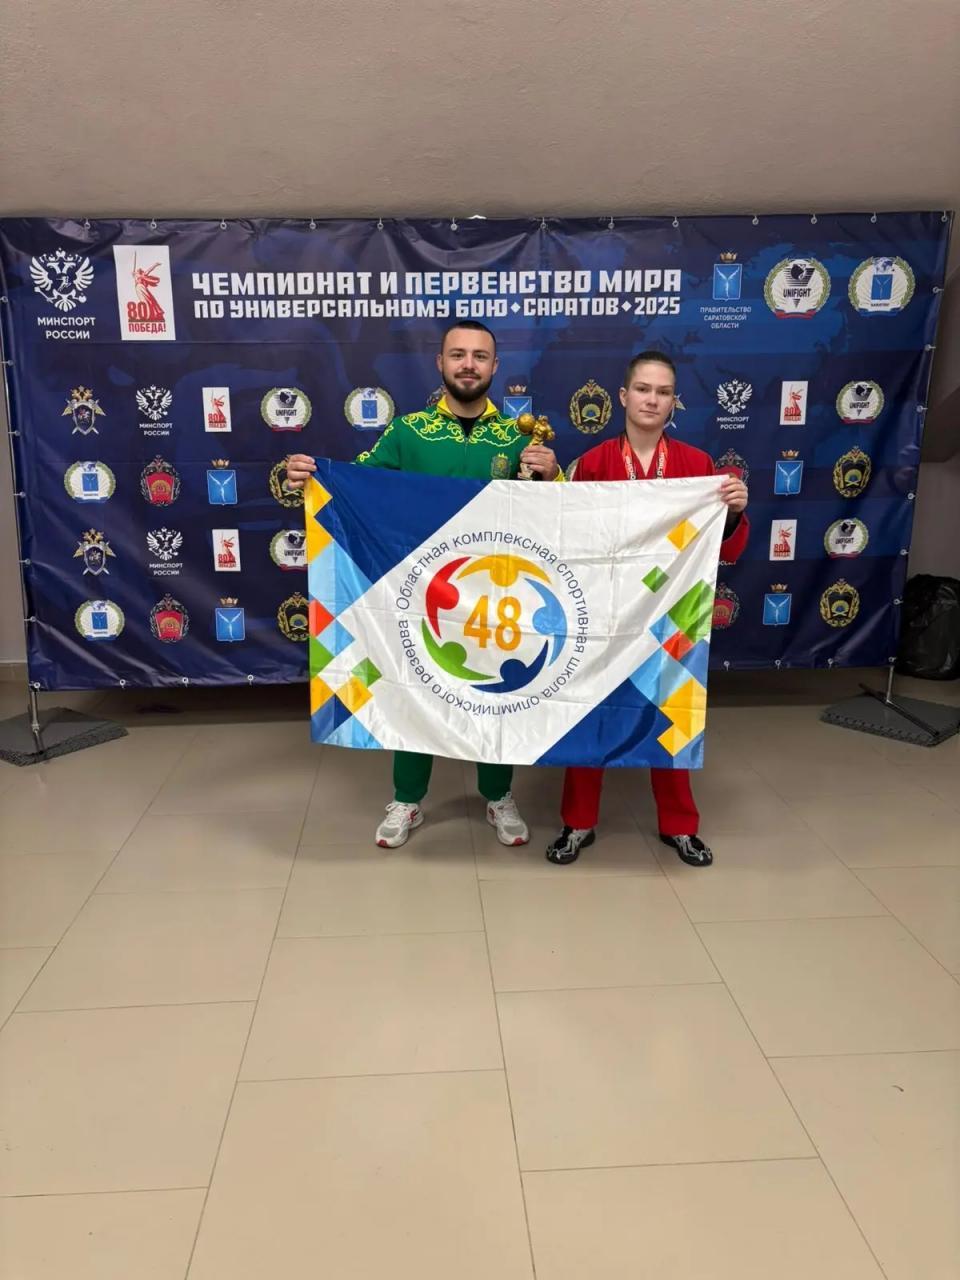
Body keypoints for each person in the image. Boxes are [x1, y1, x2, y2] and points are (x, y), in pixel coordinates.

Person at [285, 320, 561, 849]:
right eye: (457, 354)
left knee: (496, 694)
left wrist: (552, 475)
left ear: (495, 366)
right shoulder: (407, 432)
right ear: (440, 363)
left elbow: (556, 521)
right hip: (420, 592)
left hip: (495, 595)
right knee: (414, 689)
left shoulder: (518, 438)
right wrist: (314, 477)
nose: (468, 365)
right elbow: (357, 485)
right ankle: (407, 799)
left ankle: (499, 795)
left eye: (480, 356)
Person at [545, 350, 749, 870]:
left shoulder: (698, 467)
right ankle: (578, 821)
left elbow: (722, 546)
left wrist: (731, 512)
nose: (652, 400)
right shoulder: (592, 463)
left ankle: (680, 825)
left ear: (674, 401)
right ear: (623, 396)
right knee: (591, 715)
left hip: (673, 612)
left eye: (663, 392)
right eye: (642, 389)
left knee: (673, 716)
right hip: (605, 612)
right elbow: (566, 540)